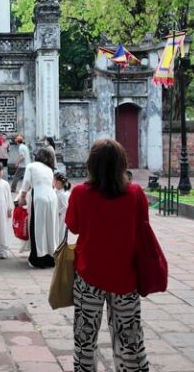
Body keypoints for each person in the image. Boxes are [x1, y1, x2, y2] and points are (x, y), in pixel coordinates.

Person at [66, 139, 150, 371]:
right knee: (130, 340)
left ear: (91, 164)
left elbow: (73, 226)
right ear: (122, 164)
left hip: (88, 275)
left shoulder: (81, 193)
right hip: (125, 276)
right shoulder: (135, 193)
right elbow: (143, 226)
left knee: (85, 341)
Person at [18, 147, 58, 268]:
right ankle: (51, 257)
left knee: (37, 227)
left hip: (39, 196)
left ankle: (38, 258)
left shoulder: (32, 166)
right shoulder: (49, 169)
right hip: (52, 197)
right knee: (51, 227)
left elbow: (26, 183)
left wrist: (22, 196)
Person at [54, 171, 71, 247]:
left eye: (55, 181)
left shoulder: (63, 194)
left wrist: (59, 212)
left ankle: (60, 248)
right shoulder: (57, 191)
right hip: (58, 215)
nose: (54, 183)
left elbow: (66, 206)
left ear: (59, 182)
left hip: (61, 217)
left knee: (60, 232)